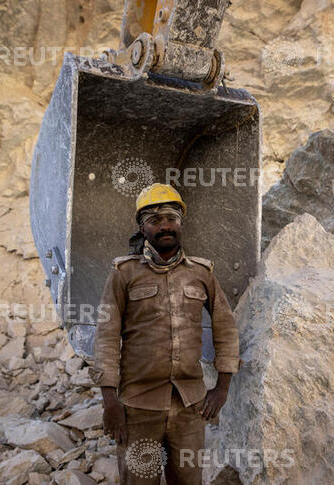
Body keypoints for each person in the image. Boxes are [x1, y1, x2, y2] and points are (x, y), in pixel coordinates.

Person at [89, 183, 240, 484]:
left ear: (181, 224)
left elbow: (225, 327)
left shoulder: (202, 273)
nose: (164, 226)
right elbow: (106, 337)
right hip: (137, 407)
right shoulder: (123, 274)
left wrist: (222, 388)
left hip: (190, 408)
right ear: (142, 228)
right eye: (154, 221)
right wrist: (110, 403)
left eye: (171, 218)